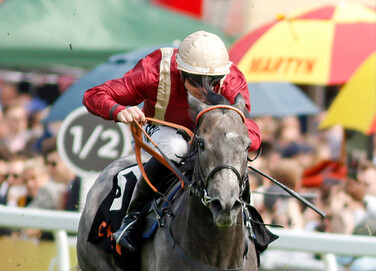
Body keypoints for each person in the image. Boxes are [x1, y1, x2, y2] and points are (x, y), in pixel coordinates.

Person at [83, 31, 261, 252]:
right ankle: (132, 219)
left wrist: (241, 140)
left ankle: (249, 222)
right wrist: (119, 110)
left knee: (231, 156)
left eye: (213, 83)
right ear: (181, 72)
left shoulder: (232, 79)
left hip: (208, 140)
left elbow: (250, 128)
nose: (205, 89)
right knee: (177, 147)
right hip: (162, 131)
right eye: (196, 82)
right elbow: (94, 95)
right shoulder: (154, 71)